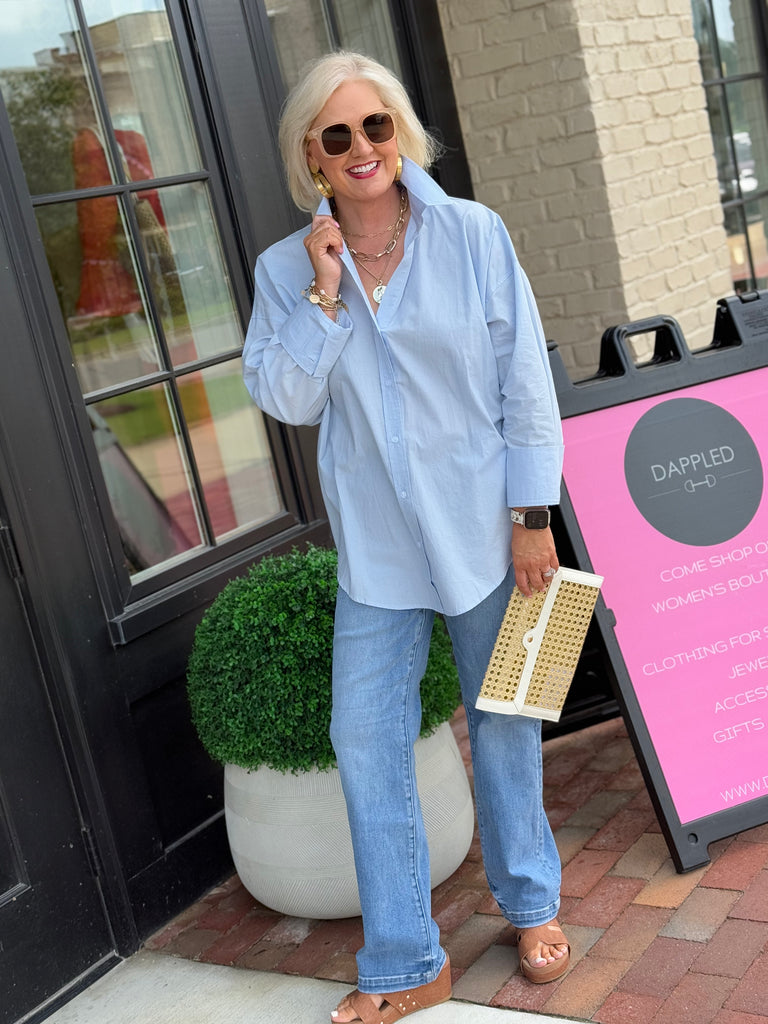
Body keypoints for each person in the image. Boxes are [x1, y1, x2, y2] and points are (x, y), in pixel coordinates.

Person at [243, 50, 569, 1024]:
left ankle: (532, 905)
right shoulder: (285, 269)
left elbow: (525, 384)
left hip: (488, 531)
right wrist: (325, 294)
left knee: (507, 720)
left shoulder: (472, 233)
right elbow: (287, 398)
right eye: (337, 133)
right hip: (378, 551)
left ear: (401, 133)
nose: (361, 147)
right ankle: (406, 959)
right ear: (311, 152)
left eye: (376, 125)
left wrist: (532, 517)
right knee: (364, 738)